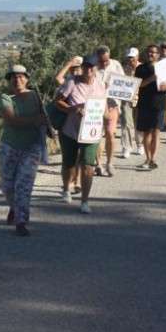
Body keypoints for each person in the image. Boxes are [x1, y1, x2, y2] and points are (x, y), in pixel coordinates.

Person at [0, 65, 46, 236]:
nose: (17, 80)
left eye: (21, 76)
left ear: (27, 79)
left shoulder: (35, 96)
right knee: (7, 185)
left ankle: (21, 221)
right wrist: (36, 120)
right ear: (9, 81)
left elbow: (45, 117)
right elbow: (12, 120)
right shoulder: (5, 98)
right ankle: (14, 207)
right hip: (9, 146)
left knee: (24, 186)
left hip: (32, 147)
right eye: (14, 77)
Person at [55, 55, 107, 214]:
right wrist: (73, 109)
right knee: (69, 163)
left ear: (96, 68)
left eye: (91, 67)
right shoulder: (72, 81)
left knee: (88, 165)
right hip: (70, 131)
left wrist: (103, 114)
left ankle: (85, 201)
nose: (88, 70)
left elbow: (103, 106)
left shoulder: (101, 85)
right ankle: (66, 189)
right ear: (82, 67)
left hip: (91, 132)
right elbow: (58, 101)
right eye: (86, 66)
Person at [134, 45, 166, 170]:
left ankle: (153, 158)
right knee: (146, 133)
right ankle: (148, 158)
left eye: (154, 53)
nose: (151, 54)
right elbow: (138, 85)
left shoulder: (164, 68)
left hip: (159, 103)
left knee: (156, 132)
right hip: (144, 103)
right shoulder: (140, 68)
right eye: (149, 52)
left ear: (158, 55)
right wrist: (152, 78)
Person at [92, 45, 124, 177]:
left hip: (112, 104)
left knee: (110, 133)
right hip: (96, 105)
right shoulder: (92, 68)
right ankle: (98, 164)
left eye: (106, 61)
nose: (104, 64)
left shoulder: (116, 65)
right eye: (101, 61)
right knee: (97, 137)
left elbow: (124, 83)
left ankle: (110, 163)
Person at [118, 48, 140, 158]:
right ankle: (126, 147)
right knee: (126, 122)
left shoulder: (143, 68)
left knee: (139, 123)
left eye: (132, 57)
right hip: (127, 99)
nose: (130, 59)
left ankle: (139, 144)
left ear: (137, 57)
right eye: (128, 57)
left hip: (141, 99)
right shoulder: (123, 69)